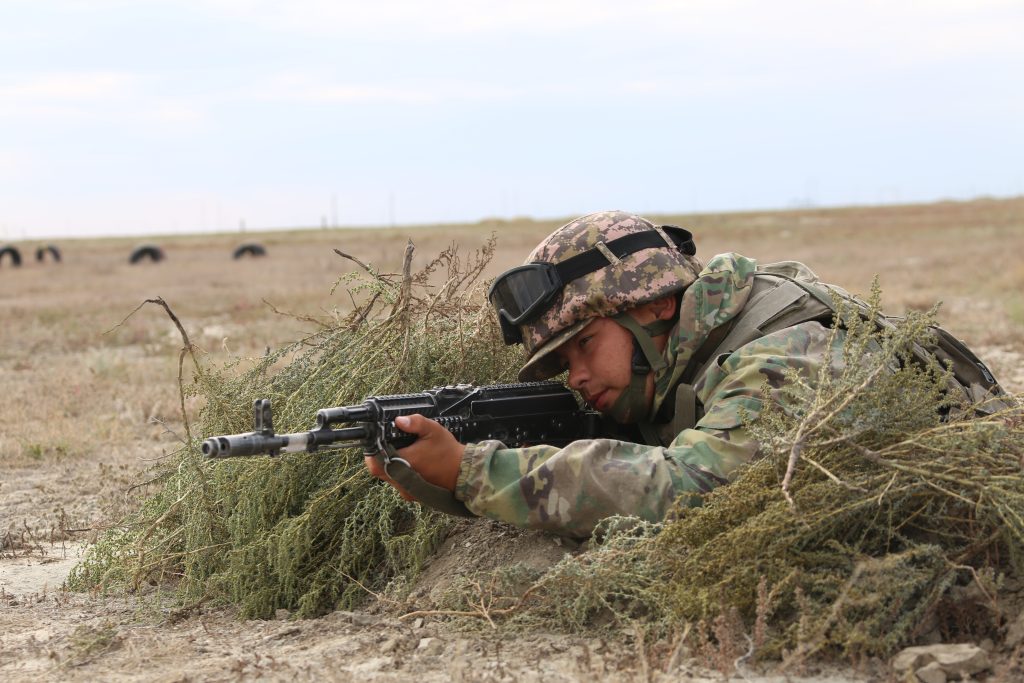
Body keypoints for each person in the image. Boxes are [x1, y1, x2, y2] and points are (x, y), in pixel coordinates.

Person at [363, 210, 997, 538]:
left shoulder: (782, 356)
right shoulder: (694, 353)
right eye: (560, 364)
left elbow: (690, 492)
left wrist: (480, 472)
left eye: (584, 345)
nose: (576, 377)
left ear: (655, 306)